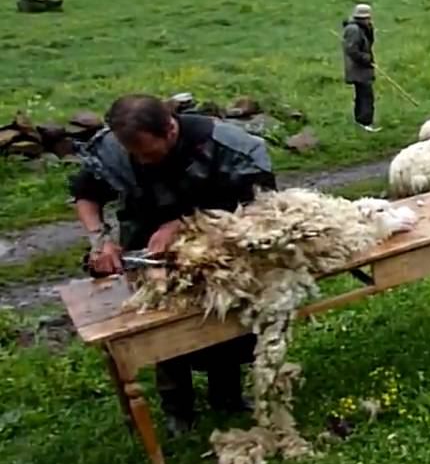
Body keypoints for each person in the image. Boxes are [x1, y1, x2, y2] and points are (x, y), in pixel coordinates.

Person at [69, 94, 277, 436]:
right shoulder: (115, 149)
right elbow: (86, 192)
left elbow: (259, 208)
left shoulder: (229, 148)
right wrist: (99, 239)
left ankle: (226, 395)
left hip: (217, 244)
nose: (142, 161)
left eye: (149, 154)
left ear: (170, 129)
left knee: (223, 316)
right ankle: (177, 407)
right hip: (148, 247)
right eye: (134, 155)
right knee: (161, 324)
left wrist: (183, 224)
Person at [342, 3, 379, 133]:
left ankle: (361, 121)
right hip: (358, 68)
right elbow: (351, 50)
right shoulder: (354, 30)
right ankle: (364, 122)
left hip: (363, 68)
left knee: (363, 94)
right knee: (365, 95)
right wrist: (365, 58)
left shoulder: (363, 28)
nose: (369, 20)